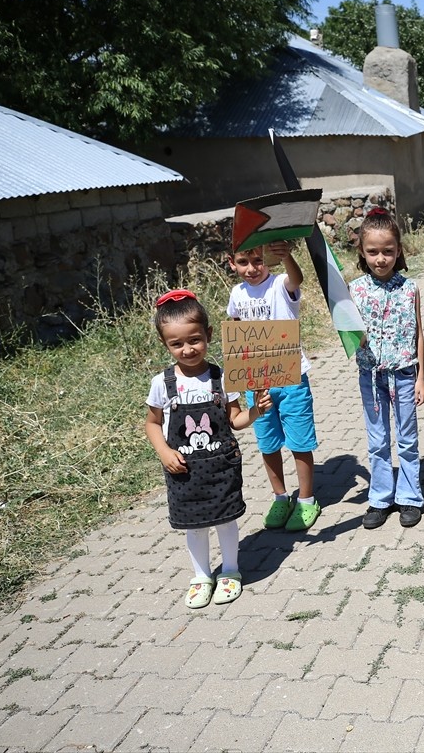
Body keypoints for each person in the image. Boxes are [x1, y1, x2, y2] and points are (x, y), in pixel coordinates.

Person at [145, 289, 272, 609]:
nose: (187, 349)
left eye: (195, 340)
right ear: (165, 344)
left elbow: (235, 420)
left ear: (209, 335)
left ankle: (230, 570)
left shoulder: (222, 376)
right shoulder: (162, 383)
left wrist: (257, 411)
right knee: (194, 525)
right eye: (177, 343)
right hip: (184, 470)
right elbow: (151, 423)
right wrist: (163, 451)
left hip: (220, 466)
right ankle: (201, 575)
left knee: (226, 519)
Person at [226, 241, 320, 532]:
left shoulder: (280, 283)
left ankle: (306, 500)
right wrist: (238, 379)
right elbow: (237, 331)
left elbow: (297, 280)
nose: (251, 269)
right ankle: (280, 497)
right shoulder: (236, 293)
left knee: (299, 442)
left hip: (291, 376)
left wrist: (287, 256)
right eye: (243, 262)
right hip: (257, 383)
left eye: (257, 260)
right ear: (232, 263)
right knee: (267, 442)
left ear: (267, 259)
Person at [349, 208, 424, 530]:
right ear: (362, 253)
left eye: (388, 251)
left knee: (407, 438)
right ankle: (380, 497)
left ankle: (410, 497)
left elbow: (419, 333)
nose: (381, 258)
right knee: (378, 439)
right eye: (373, 252)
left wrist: (422, 377)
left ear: (399, 250)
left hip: (405, 375)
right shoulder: (354, 291)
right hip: (371, 378)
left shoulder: (409, 289)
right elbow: (347, 334)